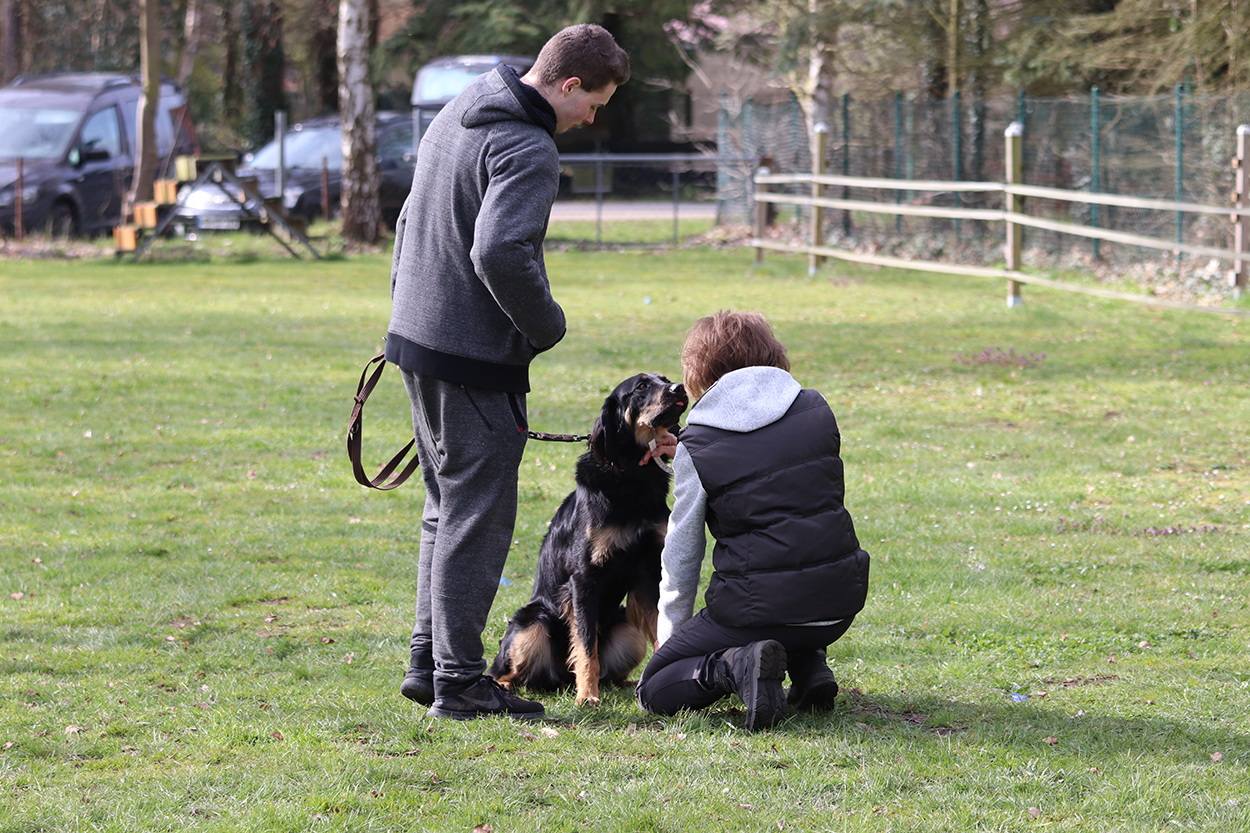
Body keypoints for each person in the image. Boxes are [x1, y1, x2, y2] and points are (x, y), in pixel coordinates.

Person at [386, 25, 638, 721]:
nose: (593, 119)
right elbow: (498, 252)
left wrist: (405, 314)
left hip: (416, 341)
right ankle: (460, 684)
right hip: (471, 360)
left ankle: (429, 663)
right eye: (593, 103)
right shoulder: (528, 146)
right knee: (478, 517)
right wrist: (546, 324)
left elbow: (407, 221)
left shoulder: (462, 106)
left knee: (445, 508)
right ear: (568, 85)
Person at [635, 311, 871, 731]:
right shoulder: (815, 408)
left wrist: (671, 643)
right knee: (794, 555)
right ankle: (810, 667)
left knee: (654, 688)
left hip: (759, 612)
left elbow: (682, 556)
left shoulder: (699, 444)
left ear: (699, 369)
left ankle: (736, 666)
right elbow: (773, 471)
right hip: (837, 606)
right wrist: (689, 456)